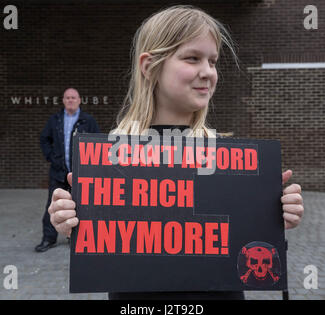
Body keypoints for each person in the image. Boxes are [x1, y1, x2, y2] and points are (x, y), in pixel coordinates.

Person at [48, 6, 304, 299]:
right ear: (149, 66)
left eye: (213, 61)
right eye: (192, 58)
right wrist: (70, 218)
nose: (207, 72)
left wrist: (270, 218)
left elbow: (244, 242)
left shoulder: (228, 160)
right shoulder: (111, 157)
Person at [35, 88, 100, 252]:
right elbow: (44, 139)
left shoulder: (88, 120)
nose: (70, 100)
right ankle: (49, 239)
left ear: (79, 100)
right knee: (54, 205)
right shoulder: (55, 120)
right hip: (58, 171)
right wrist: (50, 157)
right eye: (67, 98)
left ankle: (76, 237)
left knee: (81, 205)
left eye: (73, 97)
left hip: (81, 173)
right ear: (63, 101)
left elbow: (97, 143)